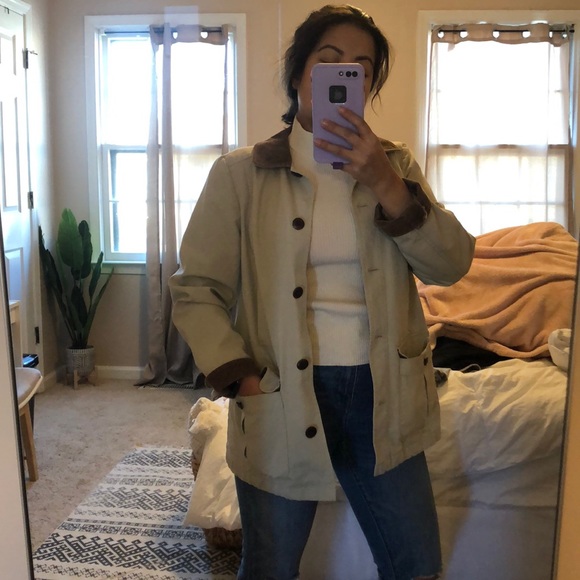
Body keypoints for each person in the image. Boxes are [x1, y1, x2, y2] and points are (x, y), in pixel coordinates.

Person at [170, 4, 475, 579]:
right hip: (280, 394)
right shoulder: (240, 175)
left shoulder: (396, 166)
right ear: (298, 75)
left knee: (415, 565)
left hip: (386, 391)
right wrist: (241, 377)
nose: (344, 76)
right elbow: (196, 289)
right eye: (329, 62)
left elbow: (450, 265)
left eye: (360, 69)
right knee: (270, 567)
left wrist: (385, 182)